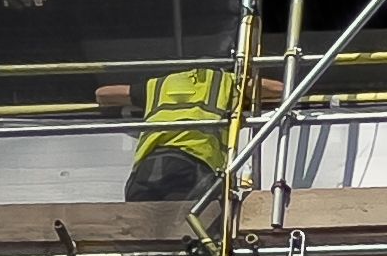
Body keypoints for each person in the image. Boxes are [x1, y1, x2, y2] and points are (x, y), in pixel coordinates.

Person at [92, 61, 283, 201]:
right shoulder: (225, 82)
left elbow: (102, 94)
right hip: (195, 163)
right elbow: (280, 89)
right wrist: (246, 84)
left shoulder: (160, 85)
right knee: (191, 228)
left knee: (139, 226)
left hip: (150, 163)